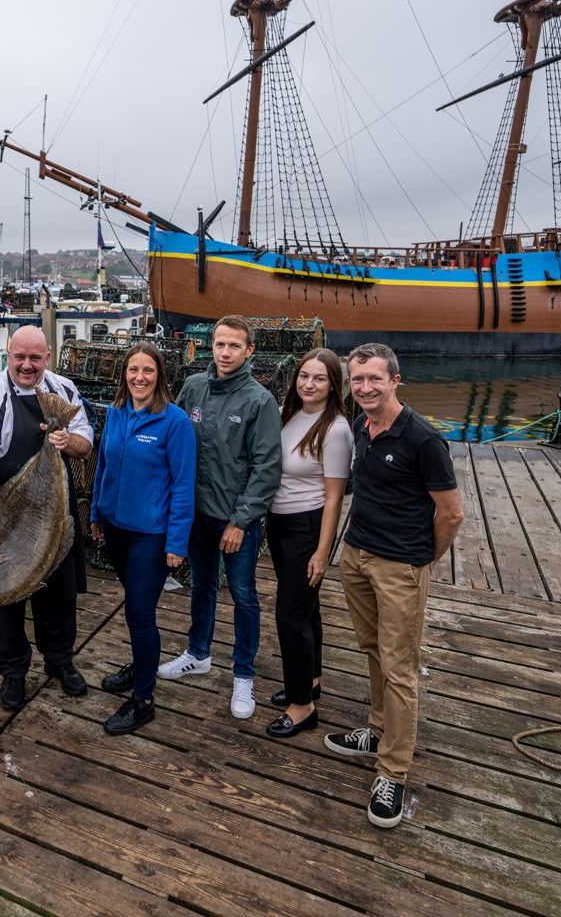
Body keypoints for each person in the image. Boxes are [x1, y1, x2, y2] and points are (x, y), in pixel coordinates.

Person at [323, 342, 462, 829]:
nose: (364, 388)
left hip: (400, 565)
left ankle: (393, 770)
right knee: (373, 650)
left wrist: (422, 560)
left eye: (374, 380)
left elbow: (451, 513)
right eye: (357, 380)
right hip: (357, 556)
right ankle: (378, 730)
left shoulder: (423, 440)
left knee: (400, 666)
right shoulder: (362, 426)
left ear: (395, 380)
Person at [0, 325, 93, 711]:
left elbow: (85, 443)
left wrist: (67, 441)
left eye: (35, 358)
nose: (27, 365)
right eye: (19, 357)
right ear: (8, 357)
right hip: (4, 520)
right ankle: (12, 673)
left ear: (47, 357)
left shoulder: (63, 390)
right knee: (3, 604)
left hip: (54, 516)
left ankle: (60, 661)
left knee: (59, 599)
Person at [158, 315, 281, 720]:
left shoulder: (259, 401)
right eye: (219, 344)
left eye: (234, 346)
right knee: (202, 586)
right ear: (210, 346)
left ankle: (243, 674)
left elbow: (267, 469)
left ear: (249, 351)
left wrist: (240, 521)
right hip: (197, 515)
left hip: (234, 520)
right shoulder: (193, 387)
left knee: (244, 595)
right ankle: (198, 653)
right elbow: (173, 442)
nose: (225, 353)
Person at [90, 343, 195, 735]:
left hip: (151, 535)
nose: (139, 377)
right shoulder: (116, 413)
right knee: (137, 608)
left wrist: (176, 544)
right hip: (115, 528)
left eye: (147, 370)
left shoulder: (175, 422)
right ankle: (142, 663)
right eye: (133, 370)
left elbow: (184, 486)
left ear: (160, 376)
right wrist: (96, 512)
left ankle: (144, 699)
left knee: (139, 612)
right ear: (124, 374)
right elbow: (103, 463)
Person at [263, 348, 352, 740]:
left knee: (290, 616)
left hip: (307, 527)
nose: (308, 384)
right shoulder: (293, 414)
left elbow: (334, 497)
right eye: (303, 376)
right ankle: (310, 680)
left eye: (318, 378)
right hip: (279, 524)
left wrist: (322, 551)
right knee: (306, 611)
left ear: (334, 384)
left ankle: (302, 707)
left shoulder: (336, 429)